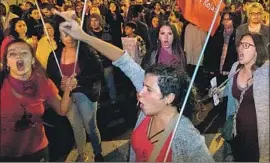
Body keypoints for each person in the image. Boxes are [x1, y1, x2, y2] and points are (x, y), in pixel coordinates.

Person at [57, 14, 214, 162]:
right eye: (143, 87)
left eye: (149, 90)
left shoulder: (185, 135)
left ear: (169, 97)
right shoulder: (148, 99)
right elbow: (123, 59)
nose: (140, 93)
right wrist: (84, 36)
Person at [0, 39, 75, 161]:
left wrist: (68, 91)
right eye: (12, 54)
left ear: (32, 60)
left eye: (24, 53)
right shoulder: (2, 85)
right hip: (6, 155)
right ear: (7, 62)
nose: (18, 56)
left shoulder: (43, 82)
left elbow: (63, 110)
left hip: (38, 151)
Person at [46, 29, 104, 162]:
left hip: (86, 92)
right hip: (66, 96)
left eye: (72, 33)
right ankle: (82, 153)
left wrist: (79, 80)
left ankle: (98, 152)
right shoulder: (54, 55)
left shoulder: (87, 52)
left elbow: (99, 72)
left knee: (91, 126)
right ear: (59, 37)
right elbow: (50, 77)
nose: (69, 37)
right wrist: (59, 85)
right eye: (65, 34)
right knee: (76, 126)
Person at [211, 33, 269, 162]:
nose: (241, 48)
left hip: (259, 136)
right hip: (237, 131)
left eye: (246, 45)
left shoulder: (265, 72)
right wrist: (218, 92)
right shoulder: (235, 67)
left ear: (257, 50)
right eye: (240, 45)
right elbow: (229, 89)